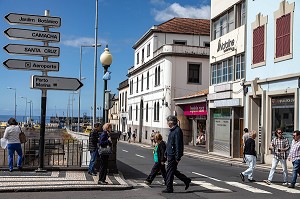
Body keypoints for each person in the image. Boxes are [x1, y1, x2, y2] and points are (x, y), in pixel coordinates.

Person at [163, 115, 191, 193]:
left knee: (169, 172)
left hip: (173, 155)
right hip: (170, 154)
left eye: (168, 121)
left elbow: (178, 144)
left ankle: (169, 188)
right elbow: (169, 143)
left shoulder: (177, 131)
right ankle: (186, 180)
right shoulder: (172, 130)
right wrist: (166, 152)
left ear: (171, 122)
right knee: (173, 170)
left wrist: (178, 157)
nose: (167, 123)